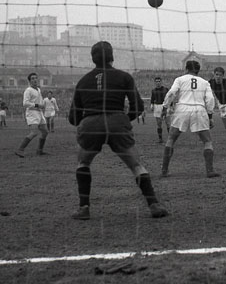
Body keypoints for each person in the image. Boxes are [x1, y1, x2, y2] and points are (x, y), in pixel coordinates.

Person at [68, 41, 168, 220]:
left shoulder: (83, 81)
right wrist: (122, 120)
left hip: (91, 124)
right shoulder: (124, 77)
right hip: (117, 122)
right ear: (112, 56)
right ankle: (154, 204)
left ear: (92, 58)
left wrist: (87, 121)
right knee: (136, 165)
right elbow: (138, 107)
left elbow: (73, 118)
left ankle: (84, 208)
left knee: (83, 163)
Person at [160, 60, 220, 178]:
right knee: (207, 141)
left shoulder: (180, 79)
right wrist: (210, 116)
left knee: (171, 139)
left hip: (182, 109)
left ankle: (164, 170)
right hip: (199, 109)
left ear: (186, 69)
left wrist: (165, 107)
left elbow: (171, 93)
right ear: (198, 70)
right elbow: (210, 99)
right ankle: (210, 170)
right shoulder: (205, 82)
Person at [15, 73, 49, 157]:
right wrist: (37, 105)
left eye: (36, 78)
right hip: (32, 112)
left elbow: (39, 101)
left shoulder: (38, 89)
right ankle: (20, 150)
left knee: (45, 131)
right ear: (29, 81)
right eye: (33, 78)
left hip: (39, 112)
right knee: (34, 132)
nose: (35, 80)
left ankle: (39, 150)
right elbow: (25, 103)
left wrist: (42, 105)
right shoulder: (28, 90)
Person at [150, 77, 169, 143]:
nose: (158, 82)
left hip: (165, 106)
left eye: (159, 81)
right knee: (159, 123)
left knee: (168, 123)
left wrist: (171, 105)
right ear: (155, 82)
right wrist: (152, 105)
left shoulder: (166, 89)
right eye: (156, 81)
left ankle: (170, 139)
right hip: (157, 106)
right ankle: (160, 139)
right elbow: (152, 99)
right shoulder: (153, 90)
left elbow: (169, 97)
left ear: (161, 82)